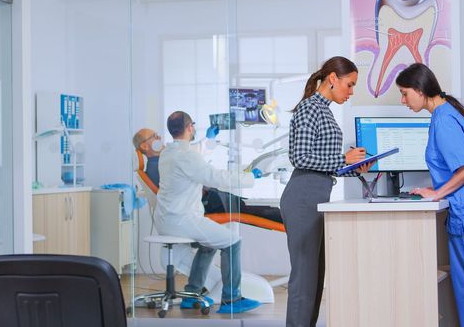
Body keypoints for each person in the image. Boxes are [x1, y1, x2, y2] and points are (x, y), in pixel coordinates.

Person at [396, 63, 464, 327]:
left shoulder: (443, 119)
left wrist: (436, 193)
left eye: (405, 93)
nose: (403, 100)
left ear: (420, 90)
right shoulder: (447, 112)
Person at [280, 56, 371, 327]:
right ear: (333, 78)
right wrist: (344, 160)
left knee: (315, 279)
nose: (352, 91)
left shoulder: (324, 109)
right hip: (302, 197)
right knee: (304, 279)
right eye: (350, 84)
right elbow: (300, 157)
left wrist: (355, 167)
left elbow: (324, 162)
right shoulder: (310, 109)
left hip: (316, 195)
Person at [154, 111, 261, 314]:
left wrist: (209, 140)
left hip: (168, 218)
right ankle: (232, 299)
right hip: (183, 219)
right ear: (189, 128)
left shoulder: (168, 153)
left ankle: (192, 293)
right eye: (192, 125)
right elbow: (214, 177)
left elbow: (195, 154)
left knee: (210, 243)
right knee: (233, 241)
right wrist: (248, 177)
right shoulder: (186, 155)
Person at [133, 128, 282, 223]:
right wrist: (249, 177)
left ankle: (289, 217)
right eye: (154, 136)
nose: (159, 137)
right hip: (206, 203)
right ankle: (292, 219)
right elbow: (209, 175)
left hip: (209, 198)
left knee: (251, 206)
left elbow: (193, 157)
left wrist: (209, 140)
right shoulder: (162, 163)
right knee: (255, 210)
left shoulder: (166, 158)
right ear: (145, 146)